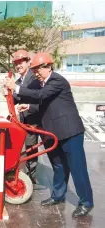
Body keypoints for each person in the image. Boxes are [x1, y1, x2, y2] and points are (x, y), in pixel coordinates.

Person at [5, 52, 93, 218]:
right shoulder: (43, 83)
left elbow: (40, 96)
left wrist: (15, 87)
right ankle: (58, 196)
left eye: (39, 69)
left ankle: (86, 202)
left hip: (69, 132)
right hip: (52, 132)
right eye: (35, 69)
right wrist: (29, 108)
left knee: (77, 168)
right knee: (58, 166)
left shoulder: (56, 80)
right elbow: (44, 103)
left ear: (48, 66)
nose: (36, 72)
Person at [11, 49, 42, 184]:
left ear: (28, 62)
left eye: (21, 62)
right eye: (16, 63)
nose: (18, 66)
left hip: (33, 119)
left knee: (31, 148)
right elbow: (17, 98)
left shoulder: (34, 77)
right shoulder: (19, 80)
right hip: (23, 119)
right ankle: (27, 171)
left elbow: (36, 97)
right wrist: (8, 93)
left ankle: (31, 176)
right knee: (26, 147)